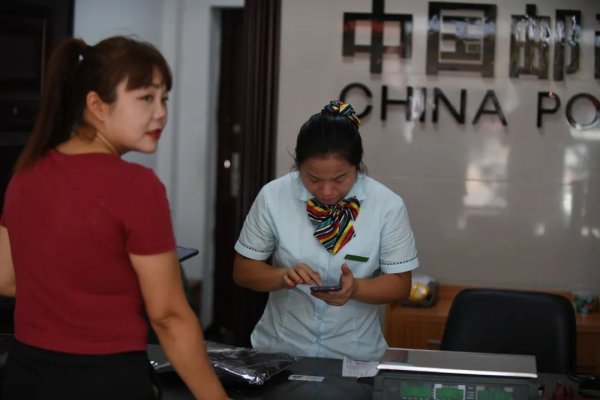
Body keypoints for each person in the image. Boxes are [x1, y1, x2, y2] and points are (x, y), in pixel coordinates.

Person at [0, 36, 228, 399]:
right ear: (97, 105)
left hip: (24, 375)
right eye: (146, 97)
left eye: (164, 98)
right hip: (105, 379)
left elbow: (6, 279)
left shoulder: (24, 175)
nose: (161, 113)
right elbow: (168, 316)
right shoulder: (137, 186)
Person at [233, 100, 419, 361]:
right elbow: (243, 271)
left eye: (340, 178)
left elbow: (400, 284)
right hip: (281, 350)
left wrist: (355, 289)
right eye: (313, 179)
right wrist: (282, 276)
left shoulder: (387, 205)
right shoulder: (273, 196)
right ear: (298, 165)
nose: (327, 191)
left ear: (357, 166)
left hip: (355, 354)